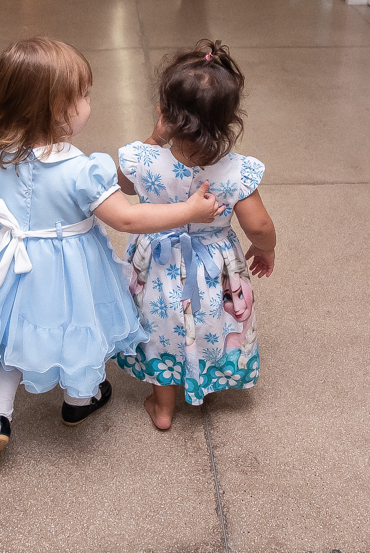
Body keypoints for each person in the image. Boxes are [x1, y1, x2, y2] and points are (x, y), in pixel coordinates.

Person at [0, 37, 225, 453]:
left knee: (6, 336)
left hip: (9, 260)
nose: (90, 102)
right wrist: (188, 211)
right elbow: (126, 218)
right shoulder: (80, 170)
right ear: (59, 109)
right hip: (67, 271)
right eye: (84, 95)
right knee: (77, 328)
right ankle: (79, 401)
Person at [115, 39, 276, 431]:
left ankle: (162, 406)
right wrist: (264, 248)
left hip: (157, 263)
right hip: (212, 266)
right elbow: (258, 225)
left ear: (164, 113)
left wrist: (154, 139)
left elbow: (124, 185)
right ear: (230, 120)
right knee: (211, 320)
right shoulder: (237, 171)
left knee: (159, 327)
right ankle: (206, 379)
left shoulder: (144, 157)